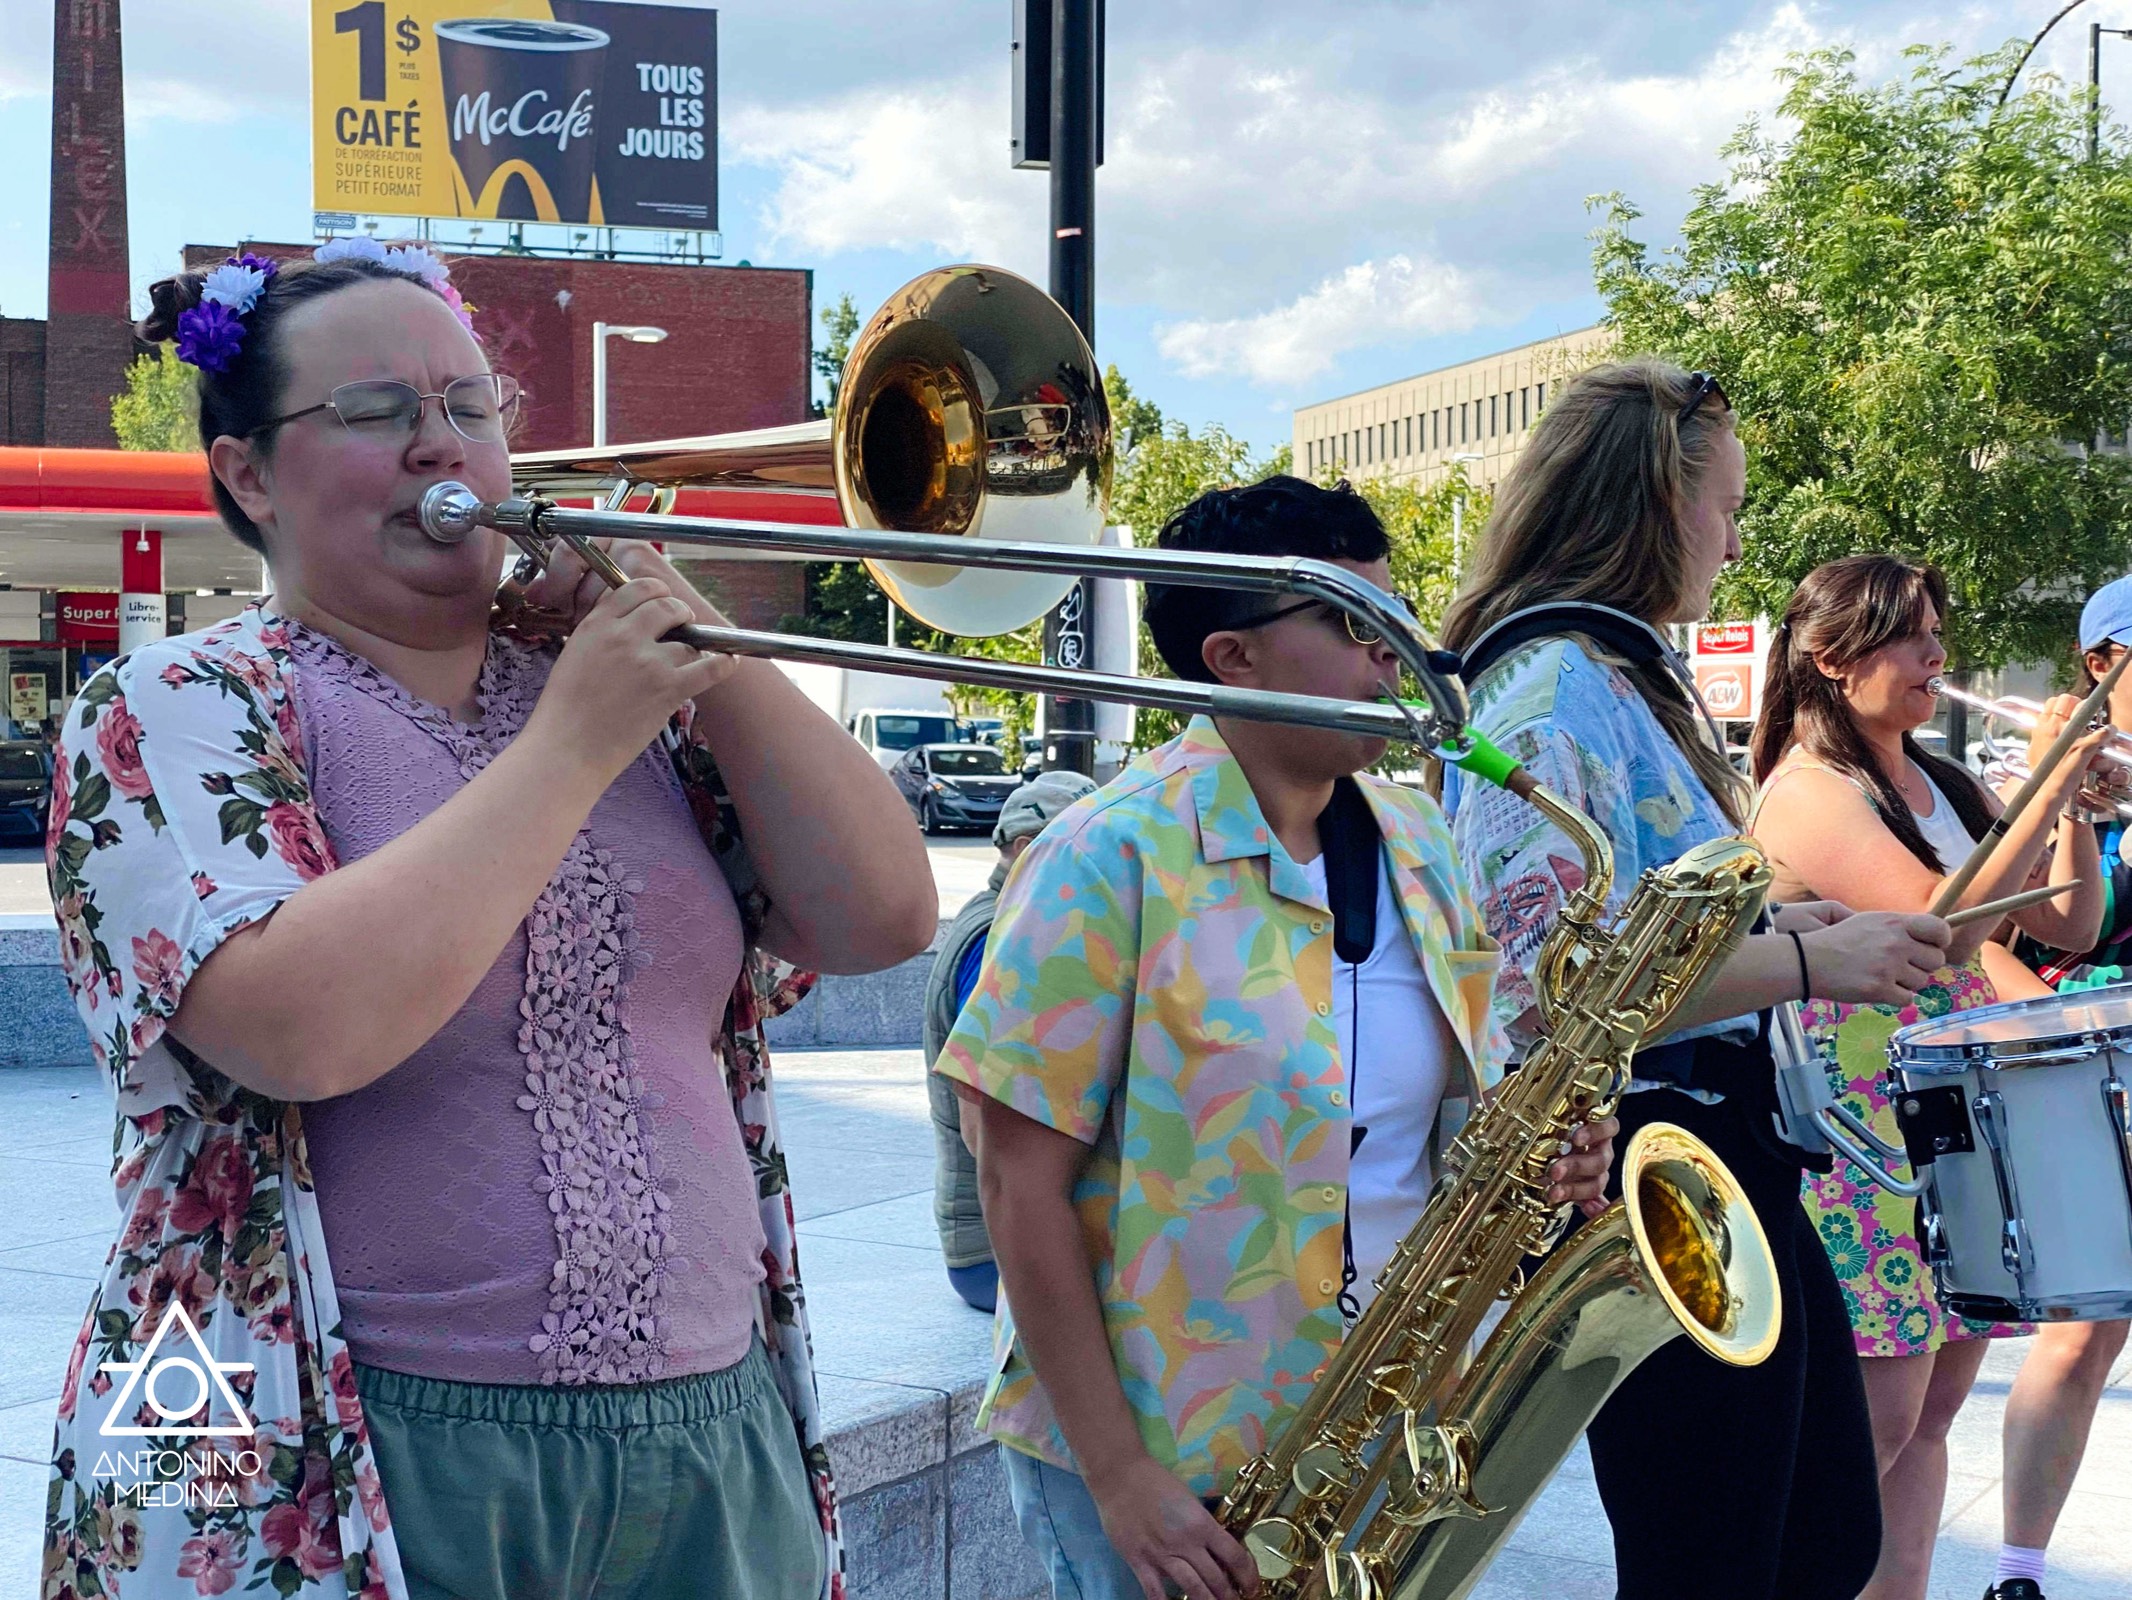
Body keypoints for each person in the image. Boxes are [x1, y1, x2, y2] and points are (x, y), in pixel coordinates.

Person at [40, 241, 936, 1600]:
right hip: (339, 1429)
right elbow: (300, 1028)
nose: (440, 443)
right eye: (376, 411)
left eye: (470, 404)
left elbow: (882, 915)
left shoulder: (620, 698)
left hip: (712, 1423)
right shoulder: (176, 702)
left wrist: (699, 643)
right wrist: (572, 742)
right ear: (247, 475)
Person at [935, 477, 1619, 1600]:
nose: (1395, 652)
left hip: (1377, 1430)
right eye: (1354, 622)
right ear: (1232, 657)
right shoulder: (1104, 854)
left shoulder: (1418, 837)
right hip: (1162, 1454)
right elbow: (1014, 1181)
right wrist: (1119, 1475)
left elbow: (1446, 1115)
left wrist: (1544, 1157)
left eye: (1396, 615)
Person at [1439, 361, 1961, 1600]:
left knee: (1818, 1536)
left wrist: (1777, 921)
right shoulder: (1549, 689)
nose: (1732, 543)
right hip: (1645, 1156)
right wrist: (1807, 958)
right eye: (1721, 507)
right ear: (1650, 505)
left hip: (1709, 1149)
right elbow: (1545, 986)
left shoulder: (1600, 674)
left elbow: (1637, 920)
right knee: (1717, 1558)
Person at [1749, 554, 2105, 1600]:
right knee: (1877, 1421)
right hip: (1862, 1135)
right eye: (1909, 635)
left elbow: (2070, 925)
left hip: (1950, 1124)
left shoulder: (1942, 780)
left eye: (1935, 632)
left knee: (1935, 1415)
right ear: (1832, 658)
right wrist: (2045, 783)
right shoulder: (1807, 790)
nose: (1935, 655)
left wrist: (2072, 807)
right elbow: (1938, 932)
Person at [1975, 575, 2132, 1600]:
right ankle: (2018, 1574)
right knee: (2080, 1332)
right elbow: (1969, 938)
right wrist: (2058, 1022)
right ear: (2099, 662)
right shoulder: (2031, 774)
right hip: (2085, 1073)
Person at [923, 769, 1097, 1313]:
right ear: (1025, 849)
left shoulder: (1012, 920)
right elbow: (986, 1132)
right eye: (1086, 849)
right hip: (993, 1256)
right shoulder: (998, 938)